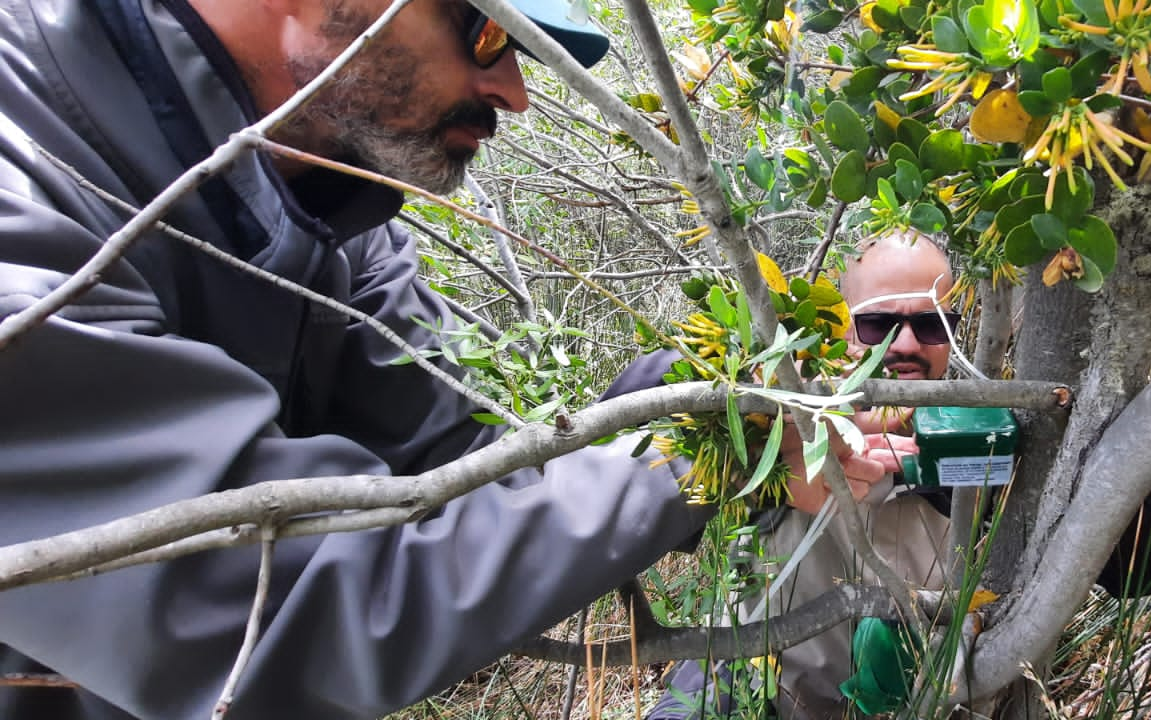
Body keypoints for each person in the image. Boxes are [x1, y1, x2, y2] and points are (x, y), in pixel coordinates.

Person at [0, 1, 769, 718]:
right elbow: (286, 610)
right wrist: (690, 460)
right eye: (487, 31)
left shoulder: (335, 204)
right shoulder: (24, 195)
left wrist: (658, 412)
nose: (514, 93)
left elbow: (461, 468)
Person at [641, 232, 1151, 719]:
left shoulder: (997, 428)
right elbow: (640, 442)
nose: (906, 344)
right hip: (756, 695)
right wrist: (772, 449)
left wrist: (1012, 463)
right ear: (837, 327)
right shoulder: (786, 409)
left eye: (932, 324)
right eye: (878, 322)